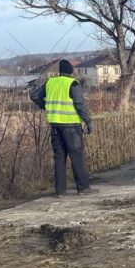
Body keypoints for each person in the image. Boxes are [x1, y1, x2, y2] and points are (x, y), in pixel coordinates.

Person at [29, 59, 96, 196]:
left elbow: (34, 95)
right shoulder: (73, 84)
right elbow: (80, 105)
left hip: (55, 126)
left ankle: (60, 191)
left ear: (60, 71)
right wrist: (88, 121)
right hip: (71, 126)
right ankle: (83, 188)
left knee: (59, 157)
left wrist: (46, 106)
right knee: (76, 155)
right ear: (71, 71)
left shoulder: (50, 82)